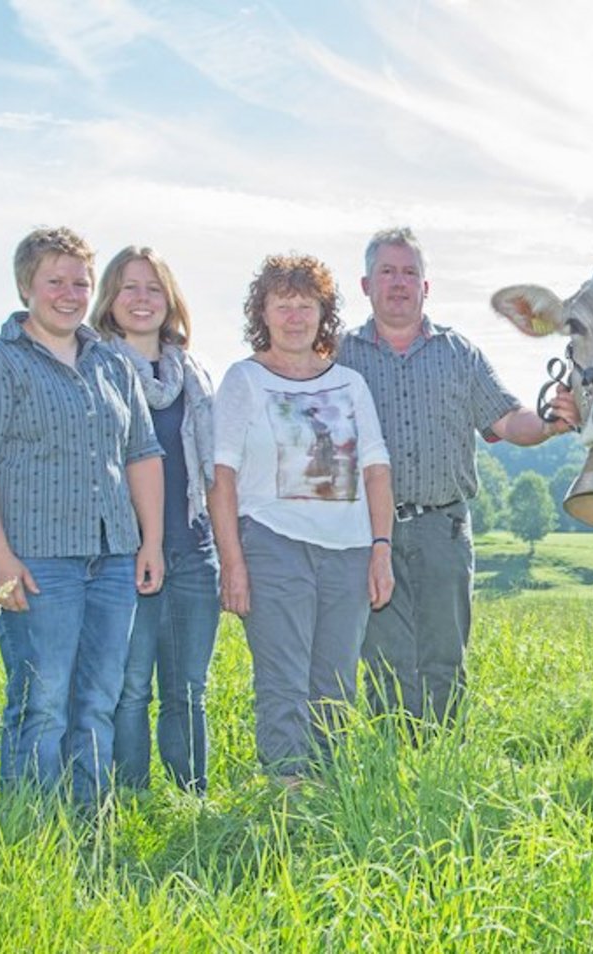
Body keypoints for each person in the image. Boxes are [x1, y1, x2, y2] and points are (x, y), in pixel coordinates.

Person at [0, 226, 164, 810]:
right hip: (33, 558)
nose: (68, 294)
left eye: (80, 282)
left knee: (99, 697)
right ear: (27, 286)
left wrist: (151, 544)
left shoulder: (112, 366)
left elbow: (142, 454)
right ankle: (30, 828)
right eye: (54, 281)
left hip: (113, 556)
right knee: (41, 700)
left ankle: (86, 826)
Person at [336, 227, 574, 728]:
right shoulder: (339, 357)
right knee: (383, 660)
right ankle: (391, 764)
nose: (399, 283)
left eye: (409, 273)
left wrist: (551, 422)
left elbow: (508, 421)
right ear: (365, 284)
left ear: (426, 287)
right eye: (387, 272)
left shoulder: (457, 353)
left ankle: (441, 763)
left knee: (443, 657)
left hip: (442, 528)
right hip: (365, 533)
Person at [211, 253, 394, 782]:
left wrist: (381, 548)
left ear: (323, 313)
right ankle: (286, 798)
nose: (295, 316)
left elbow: (376, 471)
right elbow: (221, 477)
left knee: (336, 682)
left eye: (306, 305)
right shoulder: (244, 380)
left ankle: (328, 792)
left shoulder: (350, 385)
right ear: (262, 314)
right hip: (273, 543)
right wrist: (233, 562)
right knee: (284, 680)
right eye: (282, 305)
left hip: (350, 550)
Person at [89, 246, 220, 795]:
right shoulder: (92, 370)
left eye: (153, 288)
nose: (141, 299)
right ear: (109, 300)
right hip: (125, 554)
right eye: (128, 287)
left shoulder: (193, 376)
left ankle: (191, 798)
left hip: (193, 549)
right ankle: (131, 797)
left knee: (188, 688)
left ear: (170, 301)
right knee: (131, 686)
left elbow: (216, 473)